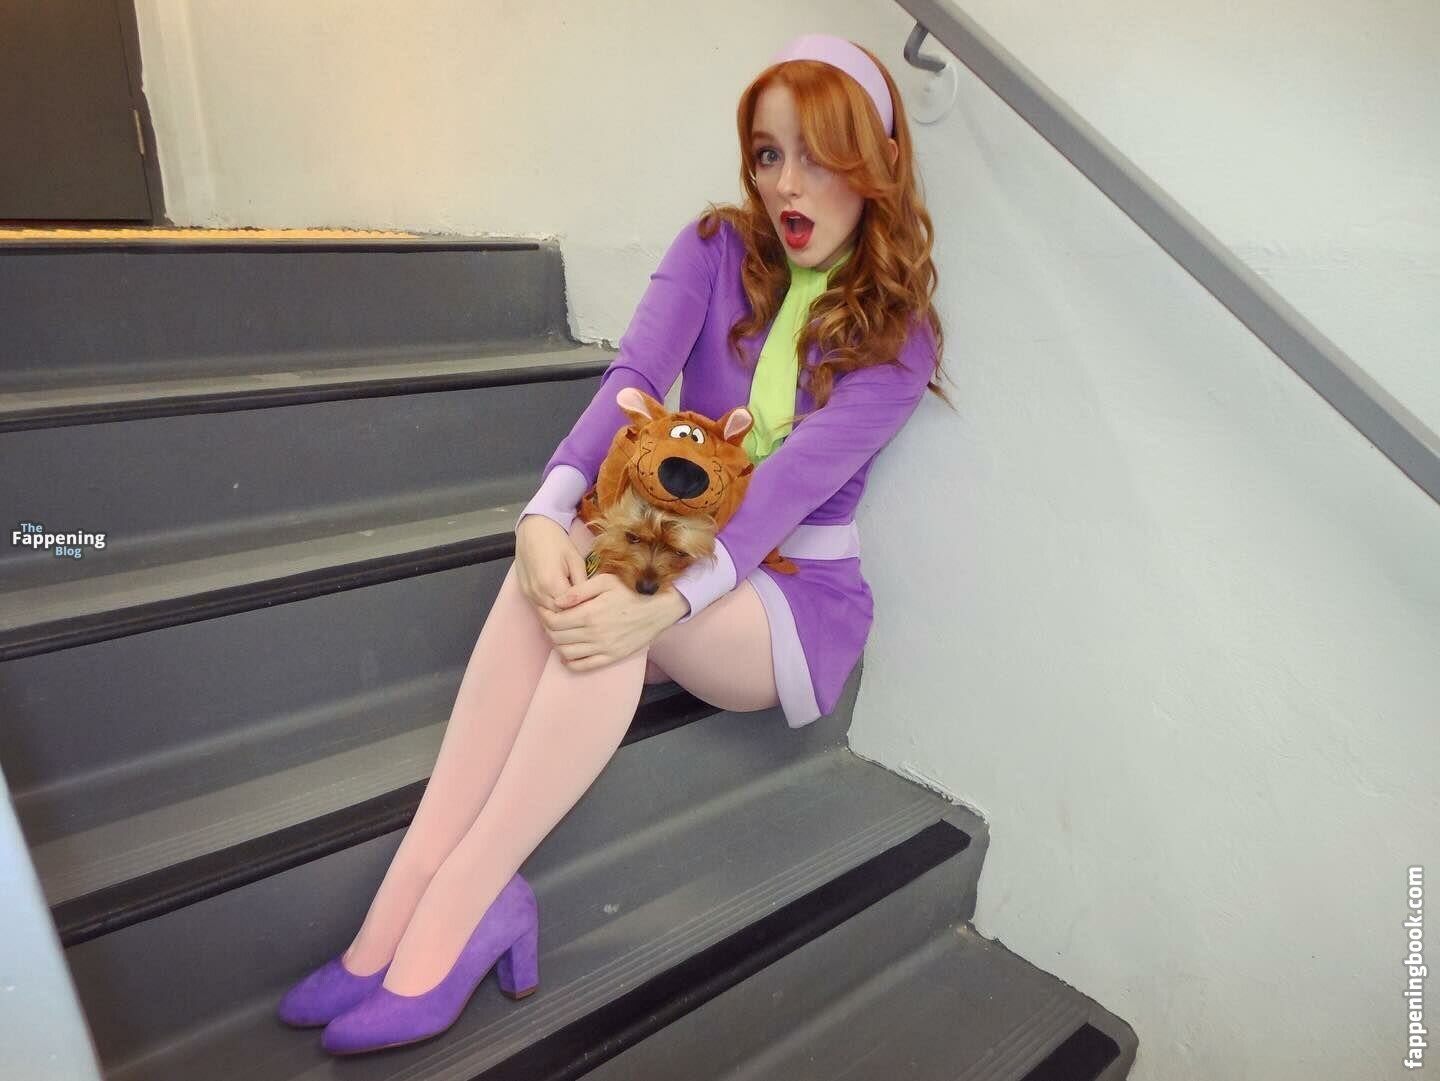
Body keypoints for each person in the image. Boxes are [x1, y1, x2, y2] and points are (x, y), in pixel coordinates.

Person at [278, 31, 952, 1055]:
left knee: (614, 587)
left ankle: (456, 905)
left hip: (787, 599)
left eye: (818, 155)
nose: (785, 182)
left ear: (877, 163)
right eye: (768, 154)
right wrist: (542, 512)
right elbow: (632, 377)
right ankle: (405, 898)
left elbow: (784, 491)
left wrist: (664, 598)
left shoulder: (902, 335)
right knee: (559, 567)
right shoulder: (716, 249)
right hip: (673, 540)